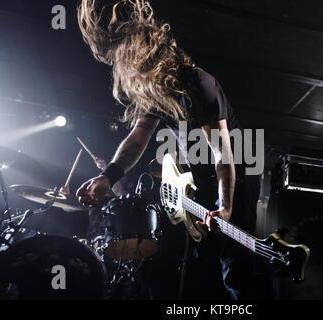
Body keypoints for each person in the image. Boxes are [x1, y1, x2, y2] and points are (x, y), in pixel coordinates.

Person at [75, 0, 260, 300]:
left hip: (238, 173)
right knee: (199, 266)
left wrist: (225, 205)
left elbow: (224, 154)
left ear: (145, 61)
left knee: (235, 268)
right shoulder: (155, 95)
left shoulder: (199, 84)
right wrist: (107, 177)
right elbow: (137, 138)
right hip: (203, 174)